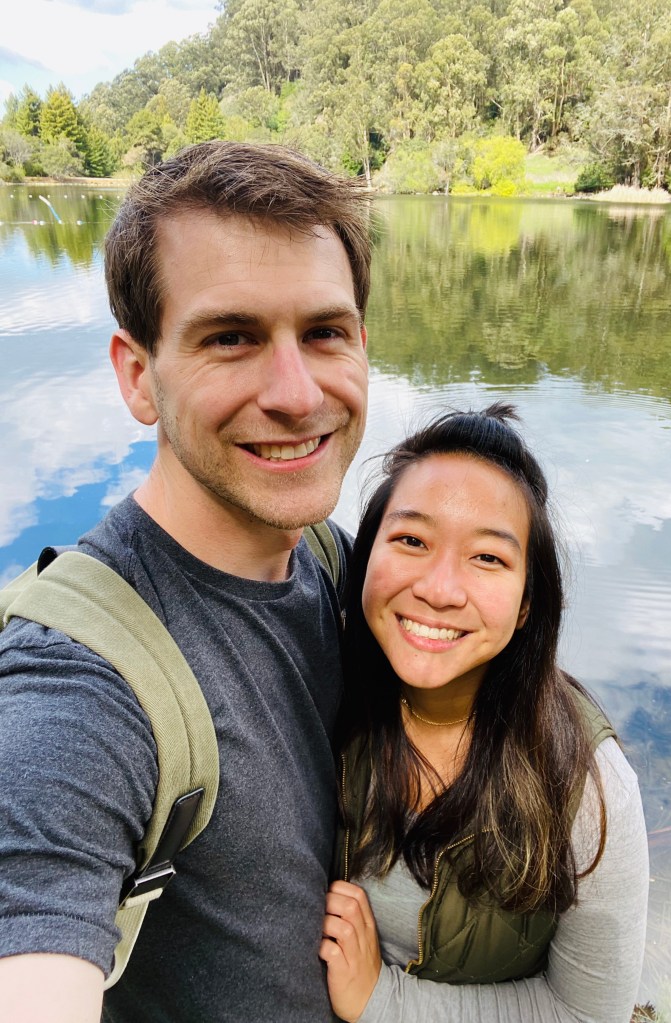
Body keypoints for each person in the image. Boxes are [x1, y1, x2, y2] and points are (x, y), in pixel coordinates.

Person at [0, 141, 371, 1022]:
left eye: (324, 332)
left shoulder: (332, 557)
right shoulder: (80, 683)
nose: (296, 393)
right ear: (139, 376)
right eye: (230, 338)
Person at [320, 404, 649, 1023]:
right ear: (365, 558)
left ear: (527, 605)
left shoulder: (588, 787)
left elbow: (586, 1014)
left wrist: (381, 999)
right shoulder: (323, 685)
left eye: (488, 558)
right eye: (412, 540)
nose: (440, 590)